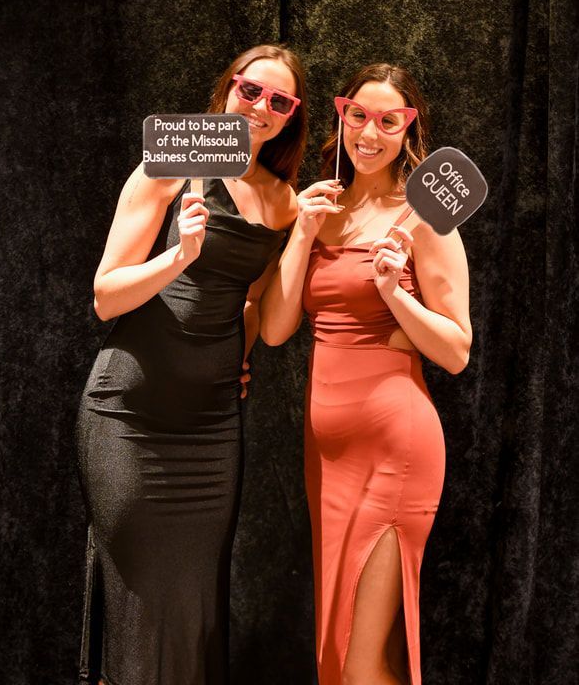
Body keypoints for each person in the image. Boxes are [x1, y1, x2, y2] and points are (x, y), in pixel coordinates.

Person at [76, 44, 307, 685]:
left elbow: (256, 303)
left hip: (210, 428)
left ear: (292, 117)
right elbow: (105, 295)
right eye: (250, 90)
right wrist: (179, 255)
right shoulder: (171, 163)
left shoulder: (284, 201)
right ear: (228, 90)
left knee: (194, 604)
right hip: (130, 411)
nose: (261, 107)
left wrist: (241, 354)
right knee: (141, 597)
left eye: (279, 101)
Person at [260, 63, 471, 685]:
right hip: (326, 457)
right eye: (359, 115)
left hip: (395, 449)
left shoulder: (425, 216)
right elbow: (274, 330)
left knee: (359, 659)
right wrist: (301, 232)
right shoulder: (318, 207)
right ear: (341, 115)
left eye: (389, 120)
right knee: (335, 649)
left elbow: (457, 350)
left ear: (410, 130)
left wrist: (396, 296)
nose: (369, 133)